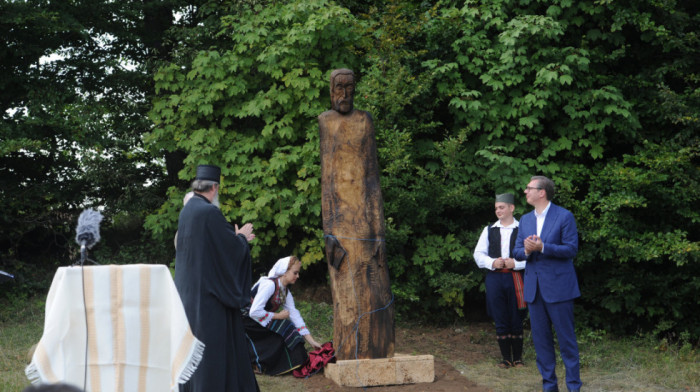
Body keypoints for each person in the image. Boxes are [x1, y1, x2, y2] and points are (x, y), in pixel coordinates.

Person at [175, 164, 259, 392]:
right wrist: (241, 238)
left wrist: (233, 239)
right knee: (211, 352)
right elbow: (228, 252)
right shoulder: (209, 212)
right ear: (214, 187)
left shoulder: (187, 211)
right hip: (209, 299)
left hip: (189, 297)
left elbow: (207, 252)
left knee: (196, 351)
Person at [513, 176, 581, 392]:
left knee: (567, 343)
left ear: (542, 192)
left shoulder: (564, 216)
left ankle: (573, 387)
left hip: (559, 290)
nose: (525, 192)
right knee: (542, 344)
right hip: (534, 291)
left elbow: (571, 249)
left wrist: (543, 247)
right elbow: (516, 252)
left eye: (529, 188)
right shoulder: (524, 220)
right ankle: (549, 387)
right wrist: (526, 250)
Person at [243, 256, 322, 375]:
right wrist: (277, 316)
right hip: (246, 321)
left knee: (287, 328)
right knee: (285, 326)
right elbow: (254, 311)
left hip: (259, 320)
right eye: (295, 273)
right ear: (284, 272)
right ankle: (259, 364)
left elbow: (295, 315)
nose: (298, 276)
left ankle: (296, 363)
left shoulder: (285, 291)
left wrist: (311, 341)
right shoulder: (269, 285)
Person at [473, 193, 527, 369]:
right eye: (496, 208)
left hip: (516, 277)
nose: (498, 211)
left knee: (516, 315)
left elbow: (533, 256)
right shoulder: (489, 229)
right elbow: (478, 254)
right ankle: (506, 359)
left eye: (501, 207)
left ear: (512, 208)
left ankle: (518, 359)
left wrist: (516, 263)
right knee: (500, 315)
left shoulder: (523, 229)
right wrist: (492, 262)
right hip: (495, 277)